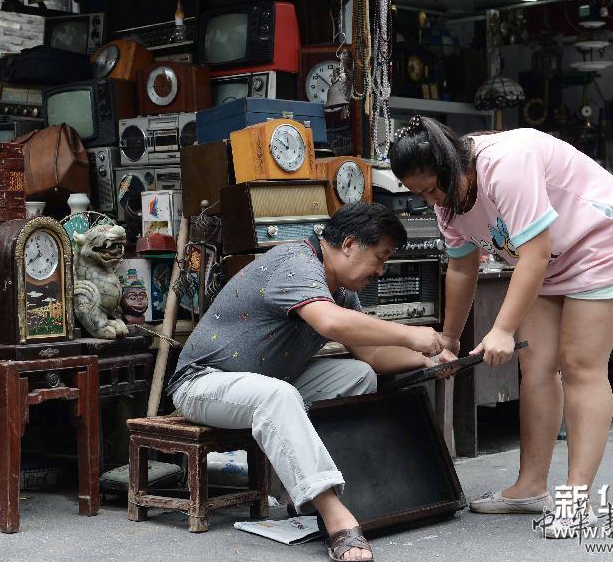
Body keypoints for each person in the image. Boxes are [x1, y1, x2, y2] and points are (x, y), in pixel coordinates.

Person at [389, 115, 613, 538]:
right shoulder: (445, 204)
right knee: (537, 365)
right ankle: (530, 487)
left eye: (434, 187)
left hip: (602, 240)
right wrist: (451, 340)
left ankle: (576, 501)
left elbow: (533, 253)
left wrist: (503, 329)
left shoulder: (505, 164)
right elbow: (460, 269)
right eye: (420, 194)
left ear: (455, 162)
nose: (432, 199)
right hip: (549, 257)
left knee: (580, 363)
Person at [166, 202, 449, 562]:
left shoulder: (342, 290)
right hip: (202, 385)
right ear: (348, 245)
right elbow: (330, 323)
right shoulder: (296, 262)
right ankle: (334, 517)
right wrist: (409, 335)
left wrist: (434, 359)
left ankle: (322, 493)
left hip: (269, 381)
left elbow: (373, 356)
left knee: (357, 375)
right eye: (380, 257)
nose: (381, 270)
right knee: (278, 396)